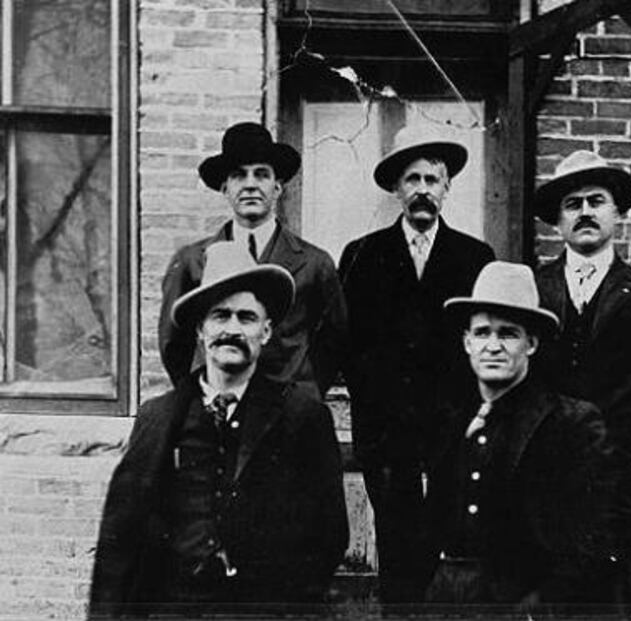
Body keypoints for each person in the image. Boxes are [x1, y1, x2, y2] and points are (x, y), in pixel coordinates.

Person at [90, 242, 348, 618]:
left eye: (247, 318)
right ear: (200, 329)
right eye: (220, 316)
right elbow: (119, 544)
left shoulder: (303, 417)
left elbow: (329, 535)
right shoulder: (159, 418)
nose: (232, 329)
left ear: (266, 331)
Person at [338, 126, 495, 603]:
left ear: (447, 188)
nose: (422, 189)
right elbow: (348, 344)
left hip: (452, 427)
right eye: (412, 179)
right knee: (396, 543)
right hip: (386, 429)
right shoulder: (362, 254)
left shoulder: (475, 257)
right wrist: (377, 399)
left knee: (444, 539)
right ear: (396, 188)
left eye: (432, 179)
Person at [531, 150, 631, 601]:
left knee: (610, 601)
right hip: (542, 485)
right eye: (572, 204)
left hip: (618, 491)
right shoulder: (532, 289)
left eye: (596, 201)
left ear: (617, 212)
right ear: (557, 220)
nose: (584, 212)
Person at [423, 261, 617, 612]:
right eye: (482, 333)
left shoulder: (570, 424)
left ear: (531, 343)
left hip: (525, 603)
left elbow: (587, 545)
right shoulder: (453, 421)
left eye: (508, 334)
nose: (493, 346)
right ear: (466, 343)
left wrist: (535, 611)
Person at [158, 121, 347, 397]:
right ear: (225, 188)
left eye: (261, 175)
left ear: (277, 188)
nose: (250, 185)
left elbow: (334, 341)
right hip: (219, 404)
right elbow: (173, 344)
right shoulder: (192, 261)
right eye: (239, 175)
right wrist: (203, 397)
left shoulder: (315, 263)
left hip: (287, 407)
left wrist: (303, 393)